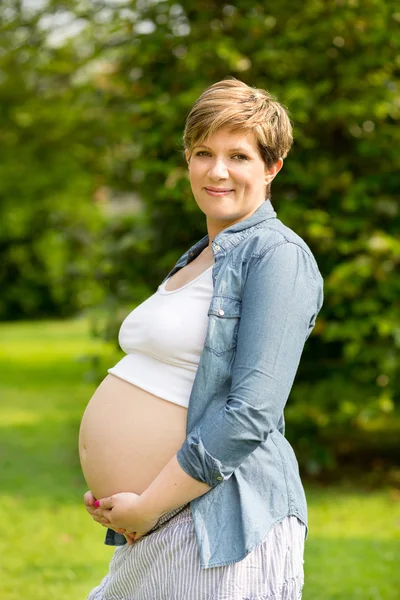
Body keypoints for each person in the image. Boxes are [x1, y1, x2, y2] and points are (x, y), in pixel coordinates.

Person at [83, 76, 324, 599]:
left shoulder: (277, 256)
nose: (217, 171)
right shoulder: (200, 254)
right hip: (166, 521)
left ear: (272, 167)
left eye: (238, 156)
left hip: (219, 524)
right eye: (202, 152)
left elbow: (251, 412)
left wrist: (148, 504)